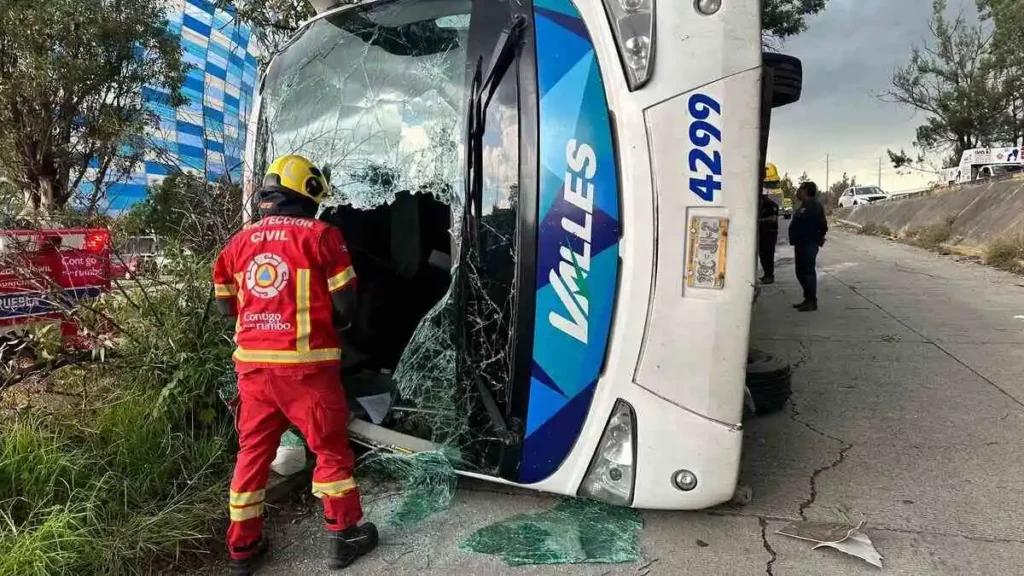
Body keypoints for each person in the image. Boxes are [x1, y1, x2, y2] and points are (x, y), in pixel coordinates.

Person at [214, 154, 378, 575]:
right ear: (305, 193)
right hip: (307, 370)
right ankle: (344, 537)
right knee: (329, 451)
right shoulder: (323, 236)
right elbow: (346, 305)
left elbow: (223, 307)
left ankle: (243, 550)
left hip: (253, 370)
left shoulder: (237, 242)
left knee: (252, 455)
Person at [788, 181, 828, 311]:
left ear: (806, 191)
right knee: (800, 272)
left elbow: (823, 225)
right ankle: (807, 299)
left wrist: (818, 239)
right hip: (801, 244)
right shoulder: (803, 206)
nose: (798, 191)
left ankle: (811, 301)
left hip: (809, 244)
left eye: (800, 188)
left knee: (807, 271)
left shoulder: (815, 206)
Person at [758, 193, 780, 284]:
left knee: (768, 253)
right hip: (762, 232)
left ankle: (770, 275)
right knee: (762, 254)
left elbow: (773, 218)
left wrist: (761, 220)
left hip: (770, 232)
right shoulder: (760, 205)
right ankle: (766, 274)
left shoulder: (771, 205)